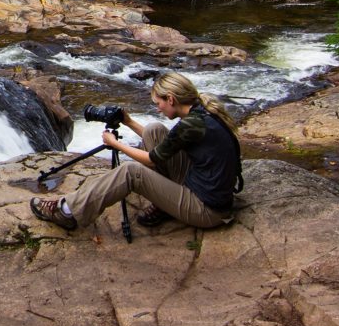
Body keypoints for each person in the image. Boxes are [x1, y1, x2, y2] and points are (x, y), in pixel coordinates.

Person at [30, 72, 243, 232]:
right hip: (202, 186)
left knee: (131, 172)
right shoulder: (199, 113)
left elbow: (151, 160)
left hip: (207, 209)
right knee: (154, 130)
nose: (157, 108)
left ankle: (67, 211)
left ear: (171, 99)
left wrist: (115, 144)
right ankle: (166, 205)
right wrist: (130, 122)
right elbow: (167, 144)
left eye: (158, 103)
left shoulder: (190, 125)